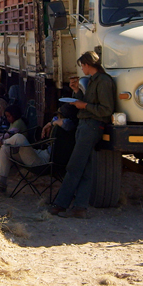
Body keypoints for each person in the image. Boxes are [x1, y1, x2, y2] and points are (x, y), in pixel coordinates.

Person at [49, 51, 116, 218]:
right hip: (86, 126)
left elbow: (106, 110)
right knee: (85, 169)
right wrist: (77, 92)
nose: (82, 69)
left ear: (87, 64)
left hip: (91, 127)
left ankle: (61, 204)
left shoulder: (103, 81)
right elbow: (88, 103)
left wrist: (84, 105)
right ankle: (80, 208)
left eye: (82, 66)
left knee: (74, 166)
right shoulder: (95, 80)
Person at [0, 103, 77, 193]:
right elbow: (56, 120)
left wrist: (52, 123)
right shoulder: (60, 125)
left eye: (59, 116)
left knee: (18, 137)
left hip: (45, 162)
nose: (56, 118)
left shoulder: (70, 127)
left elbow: (67, 124)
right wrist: (51, 123)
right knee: (6, 149)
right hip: (42, 154)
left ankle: (0, 142)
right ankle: (2, 182)